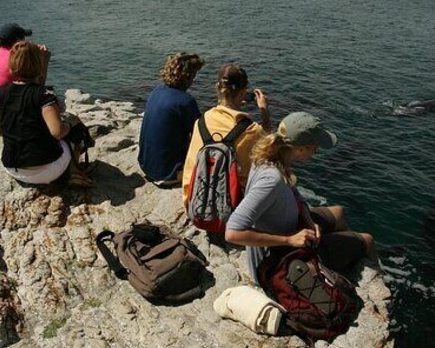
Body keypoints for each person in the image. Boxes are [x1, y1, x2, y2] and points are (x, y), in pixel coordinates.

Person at [225, 112, 376, 284]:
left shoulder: (270, 157)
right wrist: (289, 240)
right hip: (277, 260)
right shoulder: (271, 180)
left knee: (339, 212)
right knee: (368, 240)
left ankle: (334, 256)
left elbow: (294, 195)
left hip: (289, 230)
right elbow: (232, 233)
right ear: (300, 148)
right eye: (314, 146)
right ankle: (335, 263)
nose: (317, 150)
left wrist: (307, 218)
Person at [0, 41, 92, 187]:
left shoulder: (0, 92)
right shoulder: (44, 94)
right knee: (77, 129)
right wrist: (70, 125)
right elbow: (57, 132)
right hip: (46, 170)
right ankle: (73, 172)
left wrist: (19, 133)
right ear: (38, 64)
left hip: (12, 167)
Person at [181, 63, 271, 204]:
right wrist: (265, 112)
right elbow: (269, 143)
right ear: (243, 92)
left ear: (218, 88)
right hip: (231, 209)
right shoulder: (251, 130)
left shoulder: (200, 122)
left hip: (193, 201)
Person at [138, 52, 205, 187]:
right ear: (187, 76)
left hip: (145, 165)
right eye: (193, 76)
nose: (193, 81)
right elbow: (202, 135)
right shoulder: (185, 101)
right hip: (167, 174)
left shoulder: (156, 91)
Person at [0, 23, 40, 128]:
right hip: (0, 118)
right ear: (19, 41)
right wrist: (42, 60)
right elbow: (37, 89)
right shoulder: (16, 60)